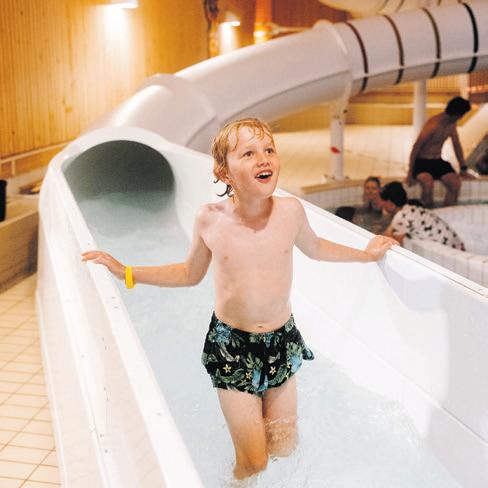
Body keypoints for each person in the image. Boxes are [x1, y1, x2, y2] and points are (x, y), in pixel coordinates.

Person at [82, 118, 397, 480]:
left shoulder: (290, 212)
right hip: (232, 346)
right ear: (223, 172)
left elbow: (317, 248)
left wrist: (366, 254)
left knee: (284, 449)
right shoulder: (211, 220)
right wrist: (127, 272)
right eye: (248, 153)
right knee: (254, 462)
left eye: (268, 150)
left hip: (281, 341)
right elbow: (188, 273)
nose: (263, 159)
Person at [407, 96, 474, 207]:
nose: (462, 117)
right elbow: (416, 147)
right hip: (422, 162)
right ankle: (428, 213)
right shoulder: (433, 124)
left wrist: (463, 168)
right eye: (462, 114)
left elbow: (457, 145)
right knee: (428, 184)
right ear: (457, 114)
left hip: (438, 161)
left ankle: (448, 213)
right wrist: (410, 172)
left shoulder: (452, 124)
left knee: (455, 183)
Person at [381, 181, 465, 250]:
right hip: (456, 244)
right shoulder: (411, 208)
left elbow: (396, 246)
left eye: (383, 202)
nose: (382, 205)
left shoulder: (400, 217)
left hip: (450, 249)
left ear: (390, 204)